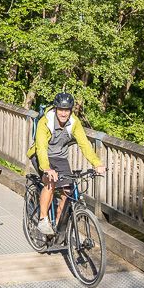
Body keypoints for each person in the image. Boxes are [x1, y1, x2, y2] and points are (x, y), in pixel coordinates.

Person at [29, 92, 105, 237]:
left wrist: (97, 163)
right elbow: (41, 147)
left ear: (71, 110)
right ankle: (43, 219)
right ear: (55, 108)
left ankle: (58, 225)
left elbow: (84, 144)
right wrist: (46, 168)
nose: (63, 113)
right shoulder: (45, 122)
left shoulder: (74, 122)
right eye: (61, 110)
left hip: (59, 157)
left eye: (67, 110)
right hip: (41, 155)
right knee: (50, 182)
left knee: (68, 190)